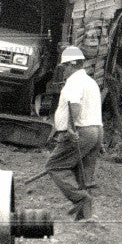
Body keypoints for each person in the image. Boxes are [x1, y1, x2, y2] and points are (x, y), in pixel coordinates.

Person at [44, 45, 103, 221]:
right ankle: (85, 218)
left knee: (54, 165)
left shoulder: (74, 82)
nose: (64, 71)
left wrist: (71, 128)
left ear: (71, 65)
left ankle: (80, 198)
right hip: (96, 130)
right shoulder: (91, 82)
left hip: (81, 131)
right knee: (83, 175)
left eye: (64, 67)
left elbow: (75, 105)